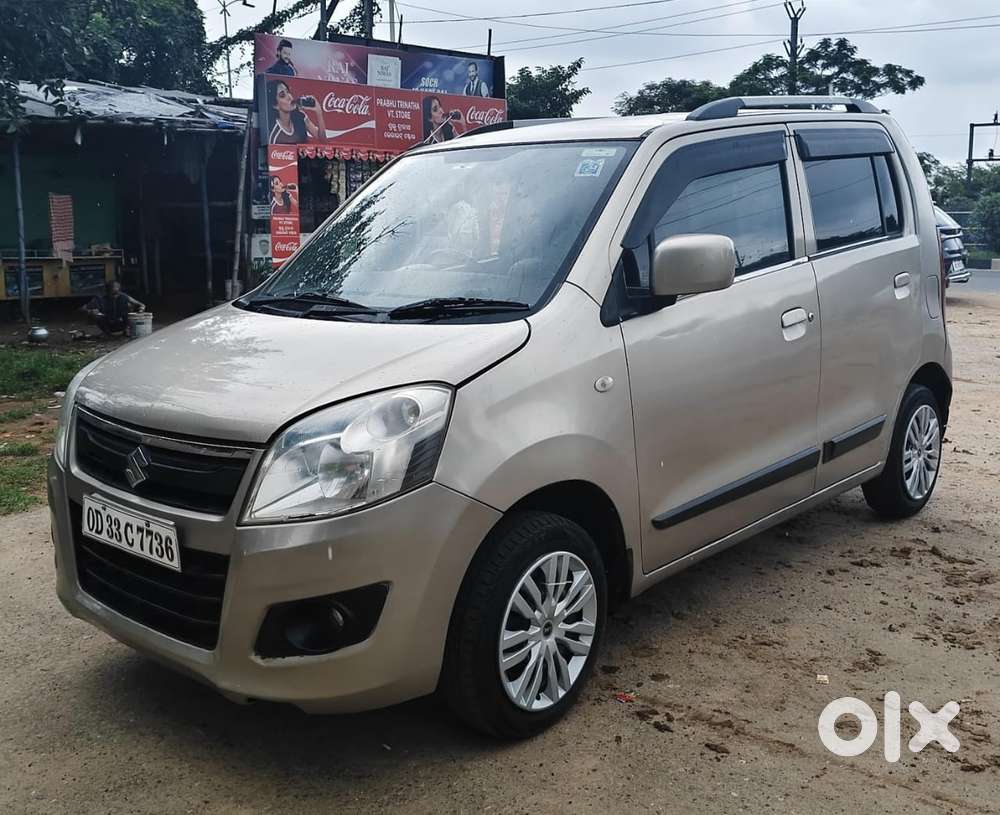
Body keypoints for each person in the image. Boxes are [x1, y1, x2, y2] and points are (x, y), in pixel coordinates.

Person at [268, 79, 325, 144]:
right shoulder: (274, 132)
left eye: (288, 92)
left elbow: (323, 141)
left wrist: (319, 112)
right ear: (275, 106)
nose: (290, 97)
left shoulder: (300, 116)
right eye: (282, 95)